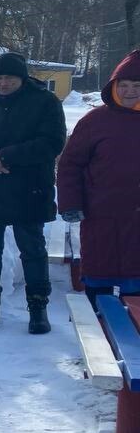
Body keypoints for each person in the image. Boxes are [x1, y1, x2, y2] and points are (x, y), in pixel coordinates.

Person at [0, 52, 67, 334]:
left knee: (32, 249)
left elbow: (51, 143)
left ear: (21, 78)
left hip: (28, 189)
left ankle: (37, 309)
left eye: (9, 77)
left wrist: (5, 157)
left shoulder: (45, 103)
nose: (4, 83)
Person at [56, 49, 140, 310]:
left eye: (137, 85)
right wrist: (70, 203)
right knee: (99, 283)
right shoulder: (95, 121)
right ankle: (99, 335)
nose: (129, 91)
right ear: (113, 86)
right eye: (123, 85)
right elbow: (70, 165)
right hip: (100, 215)